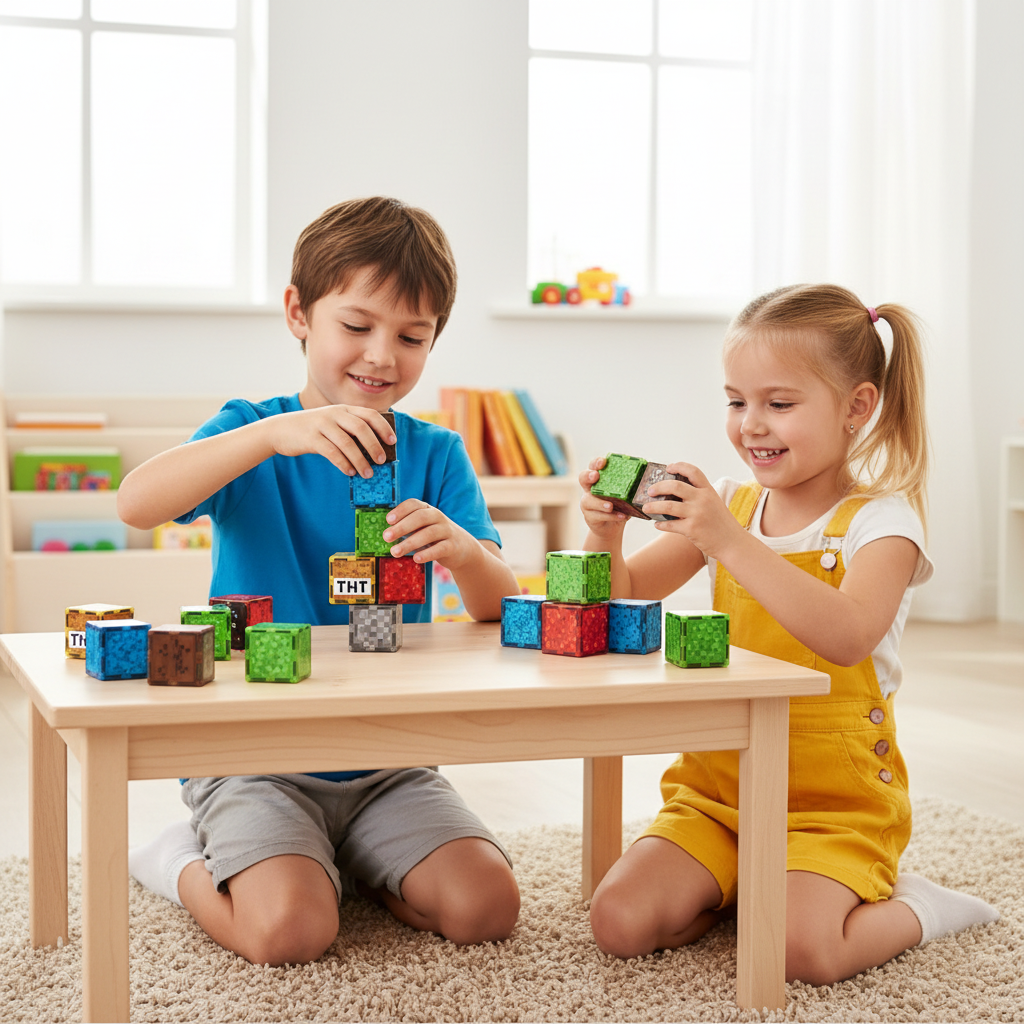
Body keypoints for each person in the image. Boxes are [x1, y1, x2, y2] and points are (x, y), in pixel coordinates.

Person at [118, 196, 521, 965]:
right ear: (299, 313)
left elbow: (499, 609)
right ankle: (177, 860)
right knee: (292, 933)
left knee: (487, 907)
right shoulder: (252, 433)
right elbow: (137, 503)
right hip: (255, 753)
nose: (381, 356)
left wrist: (466, 554)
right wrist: (269, 437)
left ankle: (354, 861)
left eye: (412, 336)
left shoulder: (433, 453)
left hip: (389, 755)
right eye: (357, 326)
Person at [580, 284, 999, 985]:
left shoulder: (882, 524)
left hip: (830, 807)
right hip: (718, 794)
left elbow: (848, 636)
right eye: (736, 401)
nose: (751, 425)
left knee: (800, 953)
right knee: (617, 921)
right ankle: (742, 885)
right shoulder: (731, 503)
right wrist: (604, 534)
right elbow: (623, 598)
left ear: (857, 408)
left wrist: (730, 541)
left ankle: (919, 906)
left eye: (779, 404)